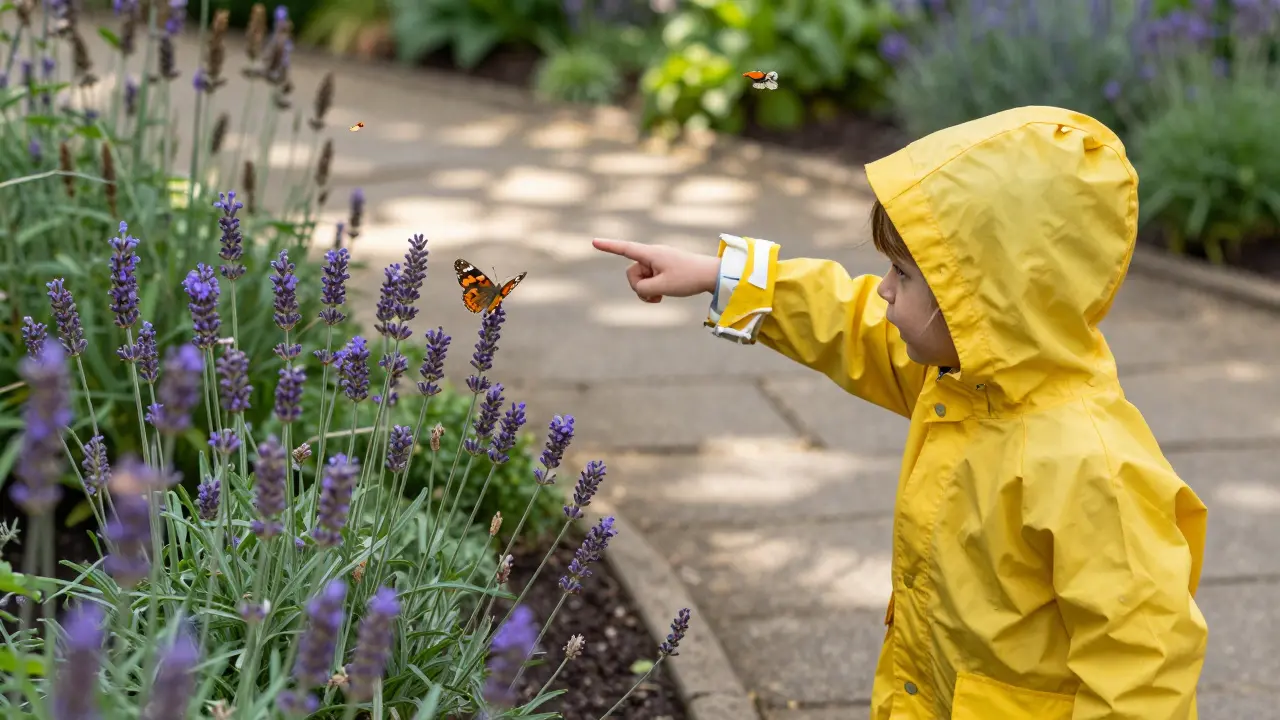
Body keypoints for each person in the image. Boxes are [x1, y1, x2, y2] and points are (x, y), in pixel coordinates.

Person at [593, 106, 1208, 720]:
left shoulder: (1090, 464)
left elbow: (1144, 670)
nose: (883, 288)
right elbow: (849, 323)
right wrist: (721, 277)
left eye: (902, 274)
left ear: (983, 299)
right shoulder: (965, 376)